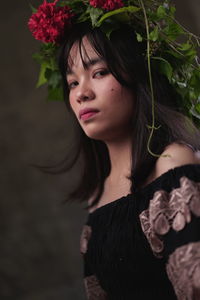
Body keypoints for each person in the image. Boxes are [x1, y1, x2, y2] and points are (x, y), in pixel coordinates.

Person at [28, 1, 200, 299]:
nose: (81, 93)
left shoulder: (171, 163)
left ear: (138, 75)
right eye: (72, 82)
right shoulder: (98, 195)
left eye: (99, 72)